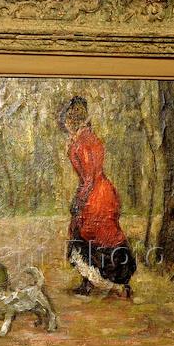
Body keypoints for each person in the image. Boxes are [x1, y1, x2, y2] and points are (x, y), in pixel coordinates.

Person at [61, 95, 136, 298]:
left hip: (95, 195)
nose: (68, 122)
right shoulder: (86, 138)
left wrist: (80, 200)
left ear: (77, 119)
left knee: (88, 234)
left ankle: (95, 282)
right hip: (103, 191)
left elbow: (89, 176)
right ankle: (117, 282)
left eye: (71, 118)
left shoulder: (83, 141)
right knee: (104, 235)